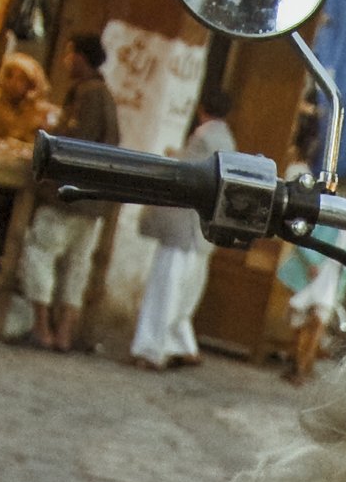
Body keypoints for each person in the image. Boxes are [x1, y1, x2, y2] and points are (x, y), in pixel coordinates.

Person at [18, 33, 117, 353]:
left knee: (40, 253)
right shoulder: (105, 95)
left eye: (70, 53)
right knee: (77, 265)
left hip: (69, 195)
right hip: (92, 200)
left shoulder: (87, 96)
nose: (65, 60)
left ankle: (43, 327)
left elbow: (74, 144)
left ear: (81, 58)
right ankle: (64, 333)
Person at [132, 111, 229, 370]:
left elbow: (188, 175)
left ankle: (152, 349)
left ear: (201, 111)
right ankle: (181, 345)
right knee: (184, 294)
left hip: (184, 228)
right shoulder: (227, 140)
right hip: (201, 233)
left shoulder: (203, 138)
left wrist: (173, 157)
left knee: (165, 291)